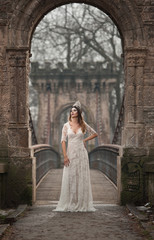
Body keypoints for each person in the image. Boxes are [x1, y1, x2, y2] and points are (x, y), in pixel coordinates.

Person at [53, 101, 98, 212]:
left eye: (74, 110)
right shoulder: (66, 125)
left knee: (80, 177)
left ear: (78, 113)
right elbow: (63, 141)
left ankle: (81, 203)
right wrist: (65, 156)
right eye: (71, 110)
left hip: (81, 154)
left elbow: (95, 133)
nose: (72, 112)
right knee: (70, 176)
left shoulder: (83, 125)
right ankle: (70, 202)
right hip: (70, 153)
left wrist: (84, 140)